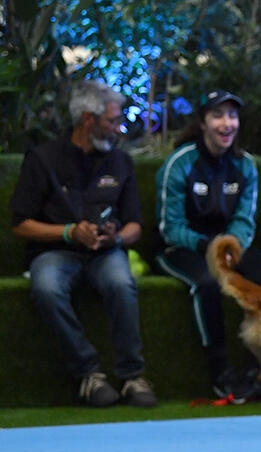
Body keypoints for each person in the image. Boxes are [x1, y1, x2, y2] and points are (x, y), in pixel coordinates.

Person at [10, 79, 157, 408]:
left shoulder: (121, 162)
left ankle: (133, 376)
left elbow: (135, 226)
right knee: (46, 287)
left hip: (106, 252)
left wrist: (115, 237)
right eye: (112, 121)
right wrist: (68, 232)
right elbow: (20, 225)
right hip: (54, 251)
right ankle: (89, 374)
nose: (119, 129)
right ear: (87, 119)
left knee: (121, 282)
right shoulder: (43, 159)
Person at [155, 89, 261, 403]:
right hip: (184, 248)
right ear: (203, 122)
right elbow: (169, 227)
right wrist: (210, 246)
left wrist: (233, 247)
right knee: (207, 283)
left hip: (232, 248)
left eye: (232, 115)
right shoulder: (180, 163)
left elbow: (245, 220)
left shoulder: (244, 165)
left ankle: (258, 372)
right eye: (218, 115)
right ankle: (220, 373)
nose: (226, 123)